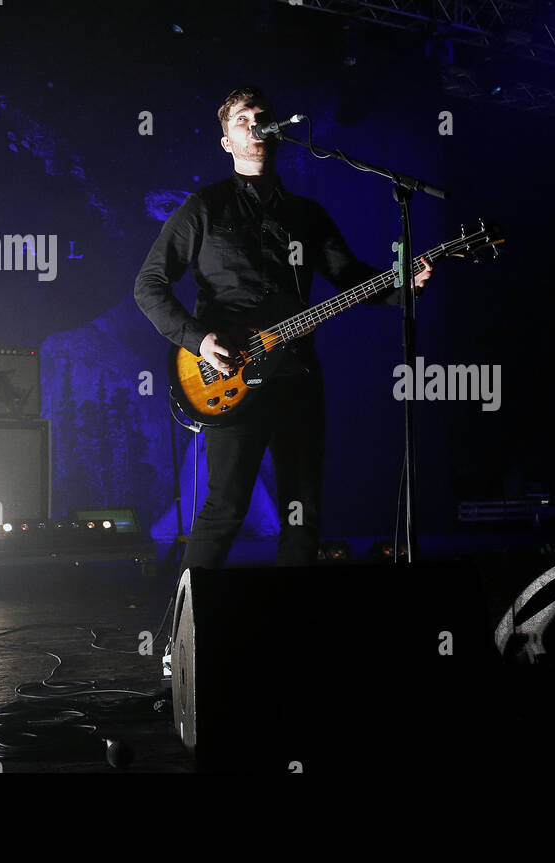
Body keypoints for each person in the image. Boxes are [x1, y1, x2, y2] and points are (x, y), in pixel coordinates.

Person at [134, 85, 432, 570]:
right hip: (227, 373)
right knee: (226, 509)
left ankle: (290, 631)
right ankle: (188, 633)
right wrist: (200, 340)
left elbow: (352, 278)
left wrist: (405, 286)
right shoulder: (204, 208)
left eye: (262, 116)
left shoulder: (306, 215)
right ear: (226, 142)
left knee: (303, 515)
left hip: (297, 378)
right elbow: (148, 285)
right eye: (241, 120)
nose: (255, 124)